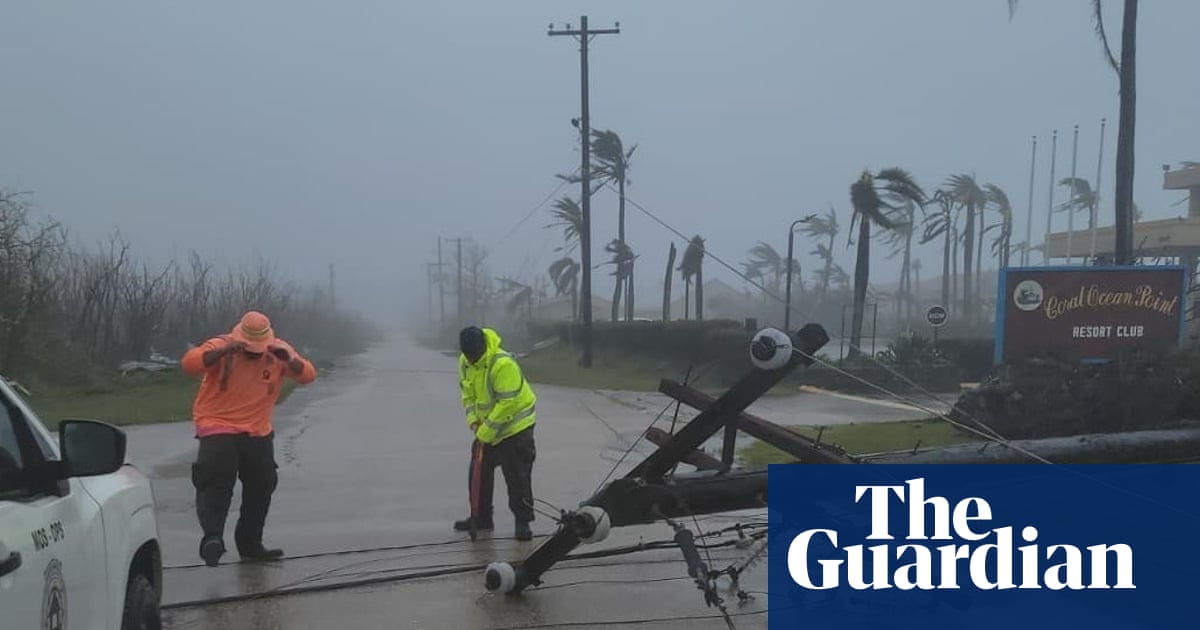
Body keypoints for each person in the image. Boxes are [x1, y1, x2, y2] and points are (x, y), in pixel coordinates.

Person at [181, 310, 317, 566]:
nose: (254, 354)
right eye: (249, 348)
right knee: (215, 481)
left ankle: (251, 543)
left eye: (258, 349)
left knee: (262, 485)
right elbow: (190, 364)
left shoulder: (279, 351)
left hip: (257, 430)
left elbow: (307, 376)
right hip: (217, 425)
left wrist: (290, 359)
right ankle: (212, 538)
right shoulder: (221, 345)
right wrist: (224, 351)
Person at [455, 326, 537, 541]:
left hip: (516, 428)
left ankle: (523, 522)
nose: (471, 359)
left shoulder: (502, 364)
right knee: (478, 473)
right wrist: (473, 422)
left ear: (482, 347)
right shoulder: (465, 362)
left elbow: (507, 404)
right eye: (467, 355)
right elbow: (467, 395)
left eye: (474, 355)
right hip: (487, 428)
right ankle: (481, 518)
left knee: (517, 476)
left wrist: (485, 433)